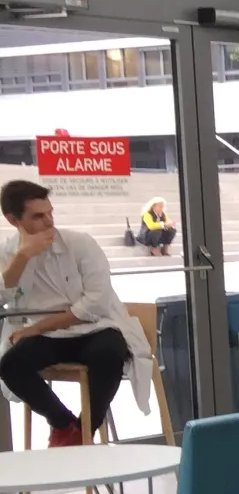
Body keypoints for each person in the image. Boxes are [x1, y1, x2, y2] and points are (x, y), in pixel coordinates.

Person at [0, 180, 154, 447]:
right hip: (48, 335)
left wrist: (36, 328)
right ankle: (64, 425)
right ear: (14, 220)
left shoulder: (81, 244)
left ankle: (84, 431)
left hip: (95, 327)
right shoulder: (9, 253)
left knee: (107, 354)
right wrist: (23, 256)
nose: (49, 222)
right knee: (10, 365)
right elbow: (4, 296)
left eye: (50, 212)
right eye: (38, 216)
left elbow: (95, 303)